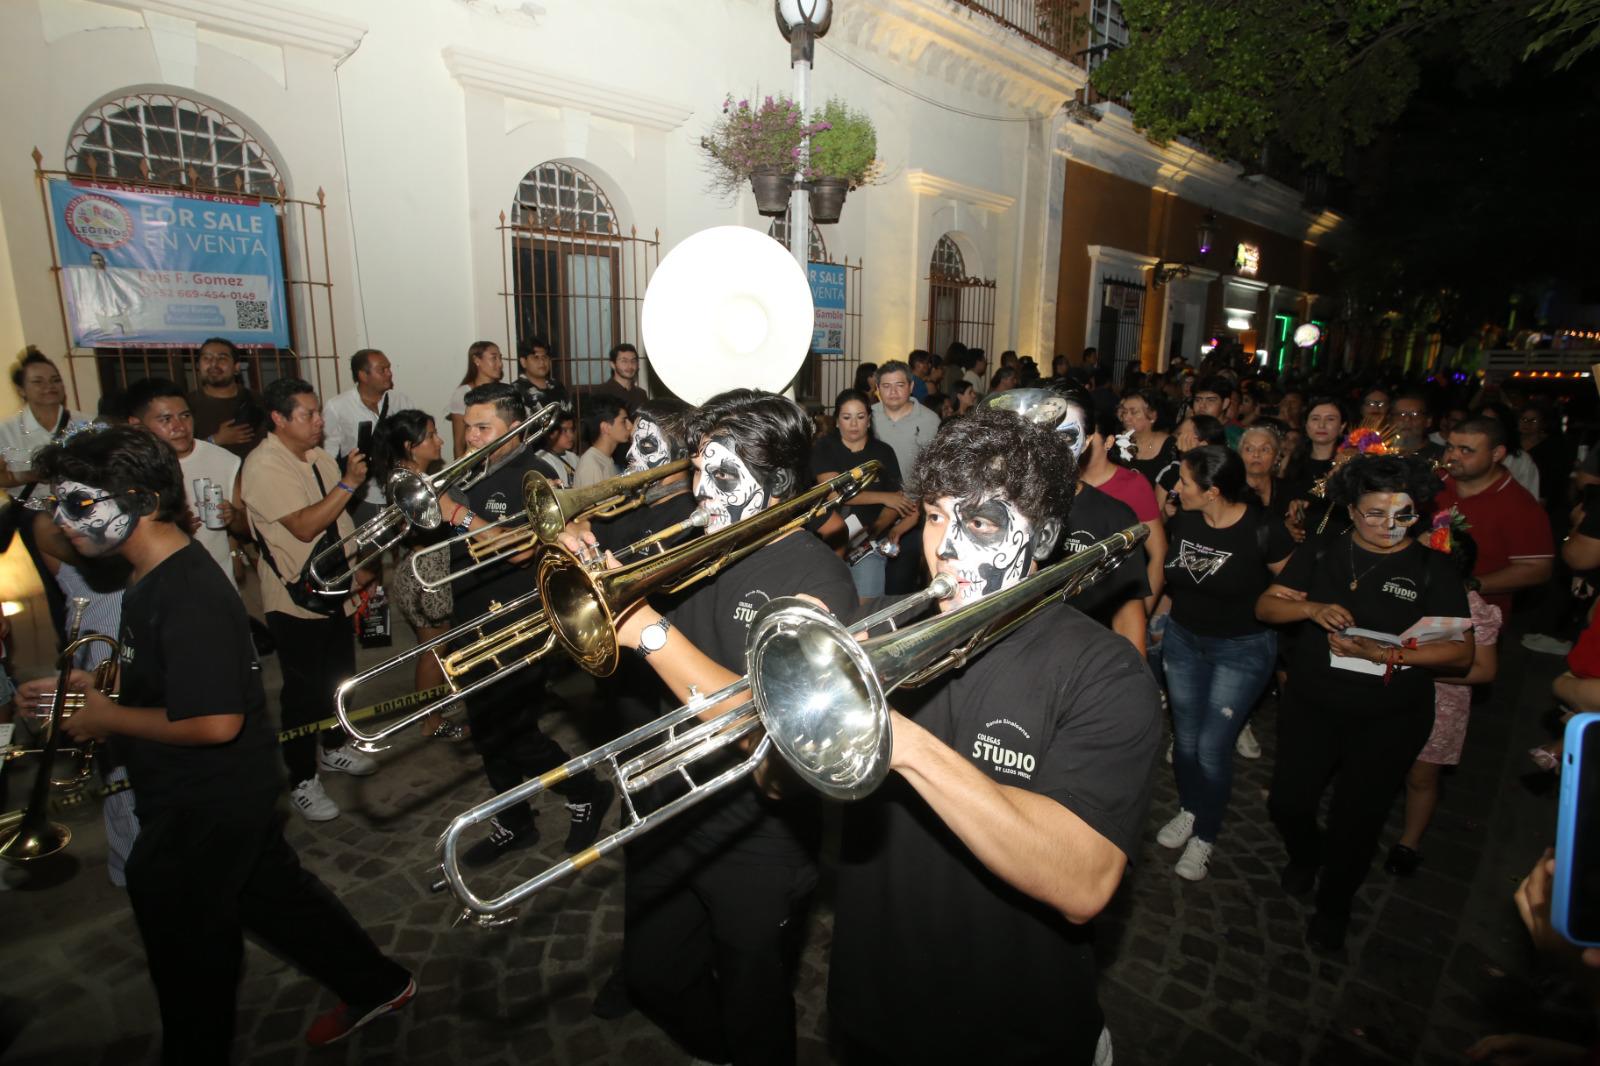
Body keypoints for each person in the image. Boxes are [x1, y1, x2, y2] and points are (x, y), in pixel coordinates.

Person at [22, 425, 414, 1061]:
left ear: (142, 501)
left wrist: (105, 720)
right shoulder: (147, 577)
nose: (64, 522)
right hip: (217, 795)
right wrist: (90, 684)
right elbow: (166, 679)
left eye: (81, 503)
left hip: (204, 804)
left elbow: (215, 722)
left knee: (188, 964)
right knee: (276, 901)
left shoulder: (184, 590)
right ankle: (379, 984)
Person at [829, 408, 1162, 1065]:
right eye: (935, 517)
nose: (942, 548)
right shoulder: (882, 635)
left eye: (977, 521)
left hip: (1010, 1026)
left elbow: (1084, 883)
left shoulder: (1104, 671)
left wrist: (900, 739)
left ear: (1039, 537)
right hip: (877, 1004)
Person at [570, 389, 857, 1066]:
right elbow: (575, 539)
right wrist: (573, 544)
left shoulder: (816, 578)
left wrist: (640, 625)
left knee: (755, 1000)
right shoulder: (690, 529)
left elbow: (763, 724)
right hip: (663, 803)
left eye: (723, 473)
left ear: (780, 482)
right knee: (654, 975)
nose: (702, 488)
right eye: (700, 466)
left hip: (755, 833)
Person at [1257, 453, 1474, 951]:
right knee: (1290, 801)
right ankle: (1307, 855)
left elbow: (1461, 653)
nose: (1390, 526)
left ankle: (1335, 904)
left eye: (1403, 515)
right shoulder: (1321, 551)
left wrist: (1386, 651)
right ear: (1351, 509)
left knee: (1358, 818)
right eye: (1376, 513)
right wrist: (1310, 608)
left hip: (1389, 718)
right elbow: (1266, 606)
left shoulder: (1432, 567)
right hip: (1313, 705)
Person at [449, 383, 611, 865]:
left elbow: (523, 548)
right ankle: (515, 819)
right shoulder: (468, 473)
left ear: (514, 428)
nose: (470, 437)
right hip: (470, 615)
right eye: (468, 425)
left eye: (483, 427)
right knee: (485, 730)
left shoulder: (534, 473)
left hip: (517, 622)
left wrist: (457, 516)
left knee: (514, 732)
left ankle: (585, 790)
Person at [242, 378, 379, 823]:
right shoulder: (264, 466)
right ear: (279, 419)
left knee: (340, 678)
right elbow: (304, 526)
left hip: (334, 589)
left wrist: (358, 567)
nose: (319, 421)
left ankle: (333, 748)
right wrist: (348, 483)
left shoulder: (316, 456)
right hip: (295, 599)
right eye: (308, 414)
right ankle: (301, 777)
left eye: (319, 412)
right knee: (302, 693)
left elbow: (336, 524)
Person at [1156, 445, 1295, 881]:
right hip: (1182, 642)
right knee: (1187, 739)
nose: (1176, 489)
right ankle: (1190, 809)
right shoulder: (1185, 518)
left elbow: (1292, 588)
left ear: (1213, 490)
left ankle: (1206, 835)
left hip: (1241, 649)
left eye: (1184, 482)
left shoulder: (1263, 529)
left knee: (1214, 748)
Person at [1387, 518, 1498, 875]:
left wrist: (1419, 665)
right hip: (1391, 693)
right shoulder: (1403, 590)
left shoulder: (1474, 609)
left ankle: (1409, 842)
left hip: (1442, 705)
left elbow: (1484, 670)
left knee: (1421, 777)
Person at [370, 410, 463, 741]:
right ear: (411, 446)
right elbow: (439, 521)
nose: (439, 441)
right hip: (425, 572)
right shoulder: (409, 483)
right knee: (433, 650)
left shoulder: (412, 475)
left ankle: (435, 705)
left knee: (437, 646)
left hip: (427, 568)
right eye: (432, 436)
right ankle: (430, 719)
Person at [1, 348, 92, 643]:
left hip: (81, 509)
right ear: (21, 390)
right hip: (34, 511)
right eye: (38, 382)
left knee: (92, 577)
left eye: (55, 380)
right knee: (56, 586)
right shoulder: (7, 431)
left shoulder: (84, 424)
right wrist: (31, 475)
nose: (49, 387)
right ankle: (69, 646)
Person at [122, 378, 247, 585]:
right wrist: (173, 527)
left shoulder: (224, 460)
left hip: (218, 585)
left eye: (185, 416)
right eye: (166, 419)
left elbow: (246, 526)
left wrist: (233, 517)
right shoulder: (128, 471)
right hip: (160, 588)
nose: (179, 427)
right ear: (137, 425)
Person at [1434, 415, 1554, 620]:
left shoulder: (1519, 506)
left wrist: (1472, 585)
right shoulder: (1436, 481)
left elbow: (1538, 568)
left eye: (1465, 450)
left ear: (1496, 453)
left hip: (1476, 618)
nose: (1452, 457)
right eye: (1449, 447)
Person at [811, 387, 914, 598]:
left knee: (868, 607)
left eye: (860, 417)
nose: (854, 424)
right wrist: (883, 496)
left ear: (869, 419)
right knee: (829, 601)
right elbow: (833, 492)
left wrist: (873, 531)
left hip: (869, 543)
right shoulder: (824, 447)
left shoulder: (883, 451)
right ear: (837, 420)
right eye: (847, 417)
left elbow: (897, 502)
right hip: (829, 542)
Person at [320, 348, 414, 524]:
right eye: (382, 370)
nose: (389, 373)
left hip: (399, 489)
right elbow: (328, 455)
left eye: (389, 368)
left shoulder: (401, 401)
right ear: (363, 375)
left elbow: (414, 443)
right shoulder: (337, 406)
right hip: (361, 494)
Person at [872, 361, 941, 593]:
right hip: (872, 511)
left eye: (899, 385)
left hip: (913, 514)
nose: (893, 392)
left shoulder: (930, 420)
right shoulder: (867, 416)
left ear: (911, 386)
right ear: (877, 388)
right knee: (869, 585)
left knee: (899, 585)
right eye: (886, 386)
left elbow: (935, 470)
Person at [186, 337, 267, 461]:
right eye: (207, 358)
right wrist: (216, 440)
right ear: (198, 366)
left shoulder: (258, 400)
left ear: (236, 367)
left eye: (222, 358)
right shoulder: (186, 405)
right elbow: (180, 451)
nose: (213, 364)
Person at [446, 340, 505, 459]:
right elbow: (459, 443)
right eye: (494, 358)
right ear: (477, 360)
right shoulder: (463, 393)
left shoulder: (503, 391)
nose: (500, 364)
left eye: (500, 358)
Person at [1118, 389, 1177, 488]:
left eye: (1134, 412)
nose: (1126, 418)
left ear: (1152, 416)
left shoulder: (1170, 446)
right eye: (1124, 412)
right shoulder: (1119, 442)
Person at [573, 396, 633, 489]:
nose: (630, 426)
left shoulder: (605, 459)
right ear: (606, 427)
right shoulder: (591, 466)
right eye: (624, 421)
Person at [1239, 423, 1292, 519]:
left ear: (1276, 457)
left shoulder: (1289, 491)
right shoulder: (1230, 493)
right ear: (1240, 455)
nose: (1256, 454)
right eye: (1249, 449)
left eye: (1264, 449)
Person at [588, 342, 649, 410]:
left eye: (633, 361)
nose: (630, 366)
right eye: (624, 361)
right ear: (612, 365)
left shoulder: (641, 394)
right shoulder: (600, 392)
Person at [513, 337, 569, 410]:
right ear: (523, 362)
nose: (542, 362)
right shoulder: (515, 392)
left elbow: (570, 415)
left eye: (545, 357)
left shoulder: (557, 386)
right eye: (536, 357)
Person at [1392, 390, 1442, 464]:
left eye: (1415, 414)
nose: (1407, 419)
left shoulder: (1441, 455)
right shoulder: (1378, 451)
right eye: (1401, 414)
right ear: (1390, 420)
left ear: (1428, 421)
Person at [536, 408, 580, 487]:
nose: (571, 436)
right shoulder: (540, 460)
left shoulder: (574, 458)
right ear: (551, 433)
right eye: (565, 431)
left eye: (572, 430)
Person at [1191, 376, 1240, 446]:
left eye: (1210, 400)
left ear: (1225, 403)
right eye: (1198, 400)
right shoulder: (1190, 427)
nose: (1202, 406)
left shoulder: (1234, 435)